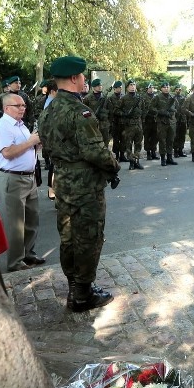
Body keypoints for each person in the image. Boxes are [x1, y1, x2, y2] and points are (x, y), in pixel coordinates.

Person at [38, 55, 119, 312]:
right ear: (74, 78)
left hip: (62, 180)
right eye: (83, 76)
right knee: (89, 237)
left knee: (69, 236)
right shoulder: (79, 111)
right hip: (85, 184)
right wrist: (114, 165)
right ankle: (83, 294)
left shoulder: (49, 109)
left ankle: (75, 287)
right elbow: (95, 151)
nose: (84, 80)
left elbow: (47, 148)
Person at [0, 93, 43, 273]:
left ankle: (28, 254)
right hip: (13, 178)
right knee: (15, 224)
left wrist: (36, 144)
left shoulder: (21, 126)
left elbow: (26, 147)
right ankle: (15, 262)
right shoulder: (1, 127)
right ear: (6, 108)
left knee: (31, 219)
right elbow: (8, 153)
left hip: (28, 177)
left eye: (24, 105)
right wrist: (31, 142)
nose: (22, 108)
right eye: (18, 105)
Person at [114, 81, 145, 170]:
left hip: (138, 124)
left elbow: (144, 109)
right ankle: (131, 162)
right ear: (127, 87)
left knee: (138, 144)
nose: (132, 87)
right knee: (128, 144)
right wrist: (124, 114)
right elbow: (116, 110)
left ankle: (137, 161)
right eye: (130, 85)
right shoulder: (123, 98)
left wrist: (141, 117)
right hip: (129, 125)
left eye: (134, 85)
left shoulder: (140, 98)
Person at [149, 81, 179, 166]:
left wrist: (173, 111)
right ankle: (163, 159)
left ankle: (169, 158)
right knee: (162, 141)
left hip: (172, 122)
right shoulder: (157, 97)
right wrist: (160, 112)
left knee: (171, 140)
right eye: (164, 87)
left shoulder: (172, 97)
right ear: (161, 88)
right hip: (162, 122)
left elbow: (177, 107)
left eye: (168, 87)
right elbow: (151, 108)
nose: (166, 88)